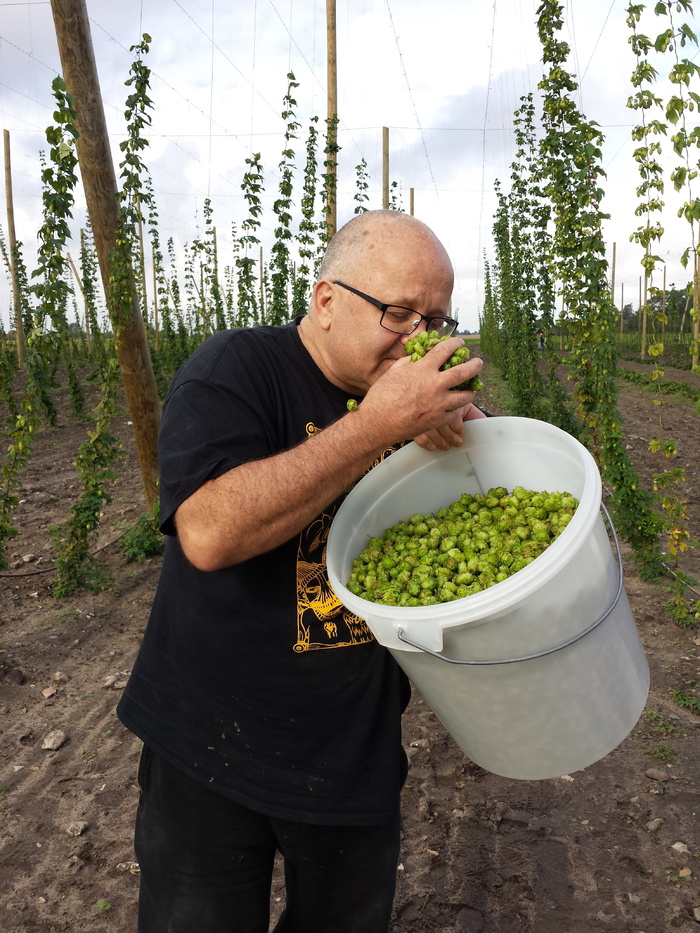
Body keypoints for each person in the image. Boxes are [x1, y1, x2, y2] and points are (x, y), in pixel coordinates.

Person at [117, 209, 485, 933]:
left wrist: (472, 439)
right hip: (210, 750)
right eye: (399, 313)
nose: (422, 338)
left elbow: (483, 522)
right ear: (325, 301)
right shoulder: (236, 370)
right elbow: (209, 531)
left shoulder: (416, 401)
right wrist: (376, 425)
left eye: (436, 319)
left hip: (352, 754)